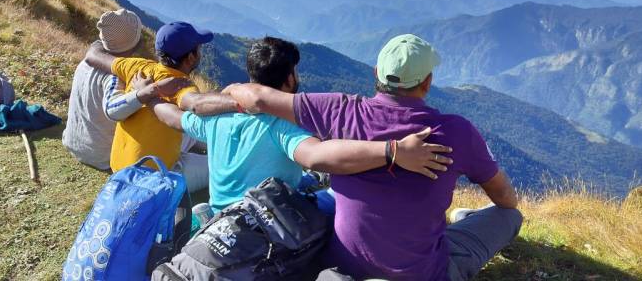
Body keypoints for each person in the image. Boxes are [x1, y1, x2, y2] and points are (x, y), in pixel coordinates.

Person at [223, 34, 523, 281]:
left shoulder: (340, 111)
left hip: (346, 268)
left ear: (376, 74)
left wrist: (233, 88)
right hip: (422, 274)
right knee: (510, 216)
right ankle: (463, 221)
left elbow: (259, 97)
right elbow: (504, 197)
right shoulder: (457, 132)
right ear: (427, 82)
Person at [141, 37, 454, 213]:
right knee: (332, 198)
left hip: (221, 212)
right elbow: (318, 156)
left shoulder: (219, 115)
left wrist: (150, 98)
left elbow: (176, 119)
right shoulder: (283, 126)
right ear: (289, 78)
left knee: (306, 181)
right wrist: (393, 151)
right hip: (263, 218)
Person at [84, 21, 236, 173]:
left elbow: (92, 56)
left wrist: (100, 41)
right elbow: (196, 104)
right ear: (191, 57)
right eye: (199, 49)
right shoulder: (180, 85)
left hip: (119, 168)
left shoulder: (137, 67)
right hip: (154, 176)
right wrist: (240, 100)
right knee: (223, 164)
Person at [62, 9, 144, 171]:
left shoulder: (84, 64)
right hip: (102, 156)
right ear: (133, 41)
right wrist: (140, 94)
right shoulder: (114, 76)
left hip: (73, 144)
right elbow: (114, 109)